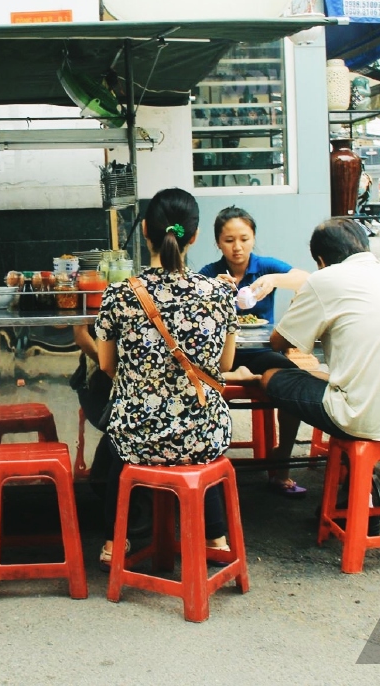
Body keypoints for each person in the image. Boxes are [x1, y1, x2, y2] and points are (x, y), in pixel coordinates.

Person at [261, 218, 380, 513]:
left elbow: (278, 342)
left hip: (362, 417)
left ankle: (362, 492)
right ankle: (367, 488)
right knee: (331, 378)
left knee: (272, 376)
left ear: (321, 260)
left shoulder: (325, 279)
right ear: (363, 246)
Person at [95, 188, 238, 568]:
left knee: (116, 444)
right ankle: (217, 538)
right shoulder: (219, 292)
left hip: (139, 436)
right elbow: (226, 363)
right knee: (198, 437)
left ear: (145, 230)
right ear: (195, 235)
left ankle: (113, 542)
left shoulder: (119, 295)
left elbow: (106, 365)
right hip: (204, 433)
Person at [197, 206, 311, 495]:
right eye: (229, 240)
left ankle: (281, 462)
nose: (237, 247)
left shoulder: (265, 267)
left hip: (261, 351)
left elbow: (306, 279)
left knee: (292, 382)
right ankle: (208, 465)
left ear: (253, 238)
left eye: (244, 239)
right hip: (223, 354)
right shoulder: (209, 273)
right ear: (218, 242)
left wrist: (274, 280)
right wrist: (211, 290)